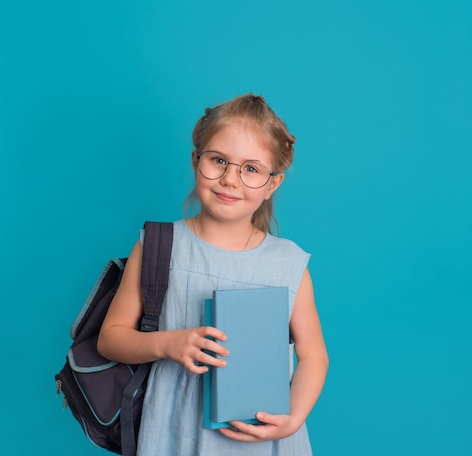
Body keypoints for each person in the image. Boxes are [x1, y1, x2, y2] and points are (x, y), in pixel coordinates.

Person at [97, 93, 328, 455]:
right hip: (175, 435)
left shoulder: (288, 262)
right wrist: (167, 343)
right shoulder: (159, 245)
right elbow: (110, 339)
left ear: (273, 184)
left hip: (266, 439)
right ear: (196, 160)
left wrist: (294, 417)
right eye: (219, 160)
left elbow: (314, 355)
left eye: (251, 168)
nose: (230, 179)